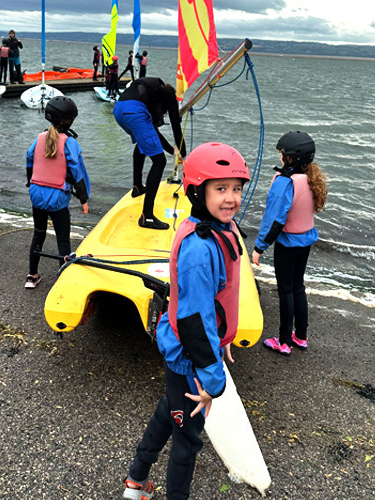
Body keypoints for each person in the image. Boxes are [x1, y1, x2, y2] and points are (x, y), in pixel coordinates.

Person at [122, 142, 250, 500]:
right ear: (197, 191)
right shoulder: (199, 247)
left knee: (170, 409)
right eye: (220, 189)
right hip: (189, 358)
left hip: (194, 354)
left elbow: (216, 301)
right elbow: (194, 319)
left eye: (236, 188)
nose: (231, 198)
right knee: (187, 439)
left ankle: (136, 480)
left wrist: (222, 342)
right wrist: (212, 378)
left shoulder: (218, 230)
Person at [252, 131, 327, 355]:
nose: (281, 157)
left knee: (285, 291)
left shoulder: (284, 182)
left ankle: (283, 341)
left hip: (287, 245)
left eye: (282, 154)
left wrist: (259, 248)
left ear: (291, 158)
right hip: (305, 242)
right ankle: (301, 336)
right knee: (297, 287)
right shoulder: (312, 179)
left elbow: (274, 220)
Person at [24, 96, 90, 289]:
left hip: (36, 195)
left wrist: (30, 182)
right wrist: (83, 199)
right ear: (68, 121)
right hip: (58, 198)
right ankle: (63, 280)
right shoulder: (70, 143)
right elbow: (77, 174)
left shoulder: (39, 138)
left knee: (39, 233)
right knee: (62, 238)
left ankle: (32, 276)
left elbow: (29, 160)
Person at [112, 77, 188, 229]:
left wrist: (172, 151)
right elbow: (176, 129)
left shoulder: (151, 93)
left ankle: (137, 187)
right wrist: (182, 153)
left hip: (119, 110)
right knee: (159, 162)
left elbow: (153, 135)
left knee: (143, 144)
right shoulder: (169, 96)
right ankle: (147, 216)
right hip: (133, 112)